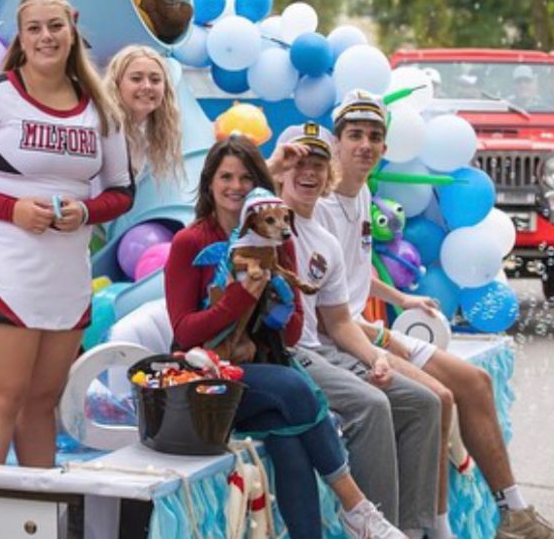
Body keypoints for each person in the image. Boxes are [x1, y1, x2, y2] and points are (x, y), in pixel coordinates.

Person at [318, 89, 554, 539]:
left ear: (385, 147)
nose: (365, 145)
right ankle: (438, 529)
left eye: (374, 136)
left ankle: (514, 514)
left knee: (475, 383)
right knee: (439, 398)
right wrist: (376, 344)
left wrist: (403, 300)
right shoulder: (321, 202)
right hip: (344, 338)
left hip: (367, 329)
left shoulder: (361, 192)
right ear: (336, 141)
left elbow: (353, 269)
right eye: (355, 135)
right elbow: (329, 307)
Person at [164, 136, 406, 539]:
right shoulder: (191, 242)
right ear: (209, 183)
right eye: (225, 176)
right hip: (207, 379)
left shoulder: (279, 236)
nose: (235, 186)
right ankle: (356, 507)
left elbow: (293, 331)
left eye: (245, 177)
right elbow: (184, 333)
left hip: (264, 373)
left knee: (289, 440)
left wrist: (276, 299)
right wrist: (241, 296)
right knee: (295, 388)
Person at [0, 0, 133, 468]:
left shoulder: (100, 106)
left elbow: (122, 192)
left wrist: (84, 213)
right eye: (34, 28)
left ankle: (39, 517)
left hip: (65, 274)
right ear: (20, 37)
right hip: (3, 267)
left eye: (55, 26)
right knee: (0, 401)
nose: (46, 37)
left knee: (43, 404)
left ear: (72, 27)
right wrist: (13, 209)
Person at [275, 119, 443, 538]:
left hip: (324, 348)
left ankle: (411, 529)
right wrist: (273, 166)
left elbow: (338, 320)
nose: (307, 172)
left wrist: (376, 356)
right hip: (285, 354)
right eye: (296, 162)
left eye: (317, 162)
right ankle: (372, 528)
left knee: (426, 404)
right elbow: (232, 190)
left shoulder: (325, 240)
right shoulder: (265, 220)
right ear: (278, 169)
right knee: (372, 406)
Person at [103, 45, 182, 181]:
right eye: (136, 78)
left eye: (155, 80)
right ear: (116, 84)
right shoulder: (102, 127)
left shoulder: (144, 136)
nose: (147, 86)